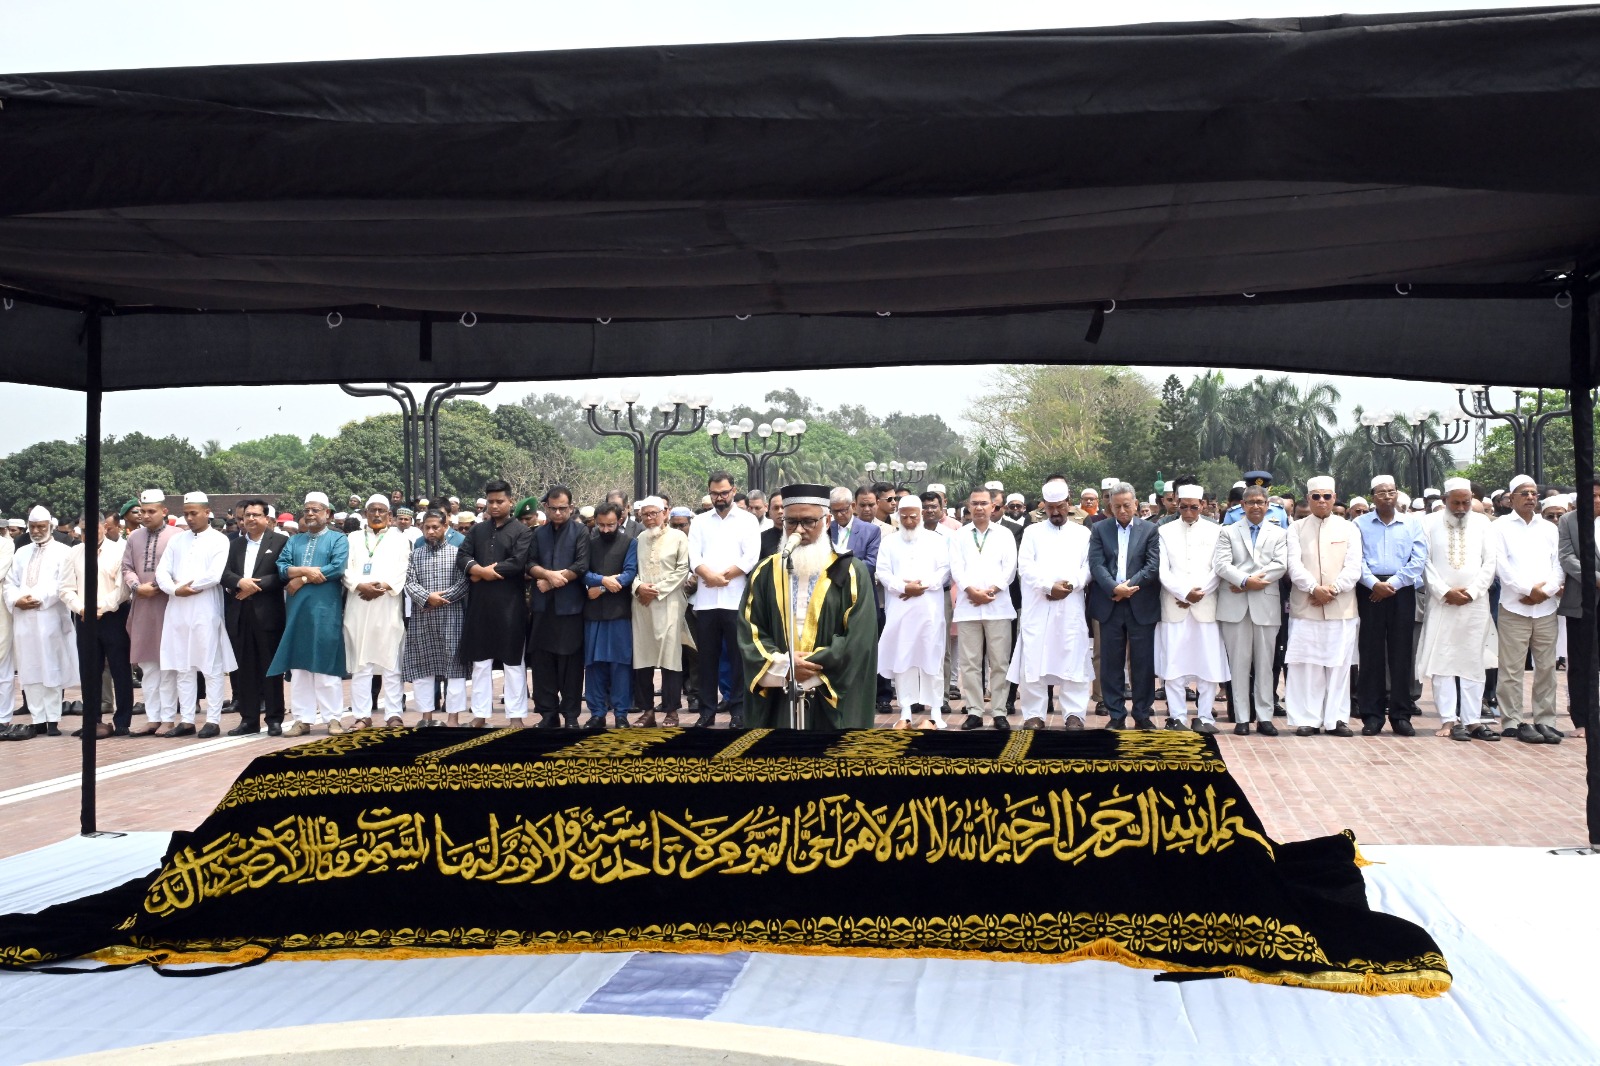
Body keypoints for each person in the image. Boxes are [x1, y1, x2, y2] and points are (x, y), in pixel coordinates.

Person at [736, 482, 878, 729]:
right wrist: (784, 666)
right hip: (778, 693)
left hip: (829, 696)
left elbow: (859, 638)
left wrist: (809, 666)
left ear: (827, 521)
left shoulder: (852, 572)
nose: (799, 530)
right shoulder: (765, 572)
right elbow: (750, 629)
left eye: (809, 522)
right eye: (791, 522)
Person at [1417, 479, 1501, 742]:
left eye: (1466, 502)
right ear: (1445, 500)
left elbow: (1490, 562)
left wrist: (1473, 592)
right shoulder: (1428, 523)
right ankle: (1448, 719)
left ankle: (1473, 720)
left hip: (1475, 604)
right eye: (1456, 503)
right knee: (1442, 660)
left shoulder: (1483, 523)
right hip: (1442, 602)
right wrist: (1444, 591)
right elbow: (1424, 562)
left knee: (1473, 660)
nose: (1462, 508)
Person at [1007, 480, 1093, 729]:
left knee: (1072, 654)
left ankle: (1074, 713)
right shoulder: (1032, 532)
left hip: (1070, 605)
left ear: (1069, 504)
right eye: (1050, 508)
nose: (1056, 512)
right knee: (1034, 656)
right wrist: (1048, 587)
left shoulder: (1083, 534)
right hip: (1038, 604)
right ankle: (1034, 714)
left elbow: (1088, 567)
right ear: (1043, 506)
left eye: (1060, 507)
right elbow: (1025, 567)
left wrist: (1070, 586)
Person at [155, 493, 237, 738]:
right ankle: (187, 719)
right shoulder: (177, 540)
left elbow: (215, 574)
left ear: (207, 512)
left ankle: (213, 720)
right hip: (177, 607)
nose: (189, 518)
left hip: (205, 606)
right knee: (183, 665)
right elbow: (162, 571)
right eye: (186, 514)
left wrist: (187, 587)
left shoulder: (219, 540)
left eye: (194, 513)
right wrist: (174, 590)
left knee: (210, 665)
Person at [1285, 476, 1361, 737]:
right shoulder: (1295, 528)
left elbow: (1354, 567)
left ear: (1334, 497)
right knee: (1307, 665)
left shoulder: (1349, 528)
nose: (1321, 501)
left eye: (1326, 496)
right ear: (1308, 499)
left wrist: (1333, 590)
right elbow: (1294, 565)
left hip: (1341, 607)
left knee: (1339, 666)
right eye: (1316, 496)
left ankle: (1336, 719)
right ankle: (1307, 719)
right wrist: (1313, 588)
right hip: (1306, 606)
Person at [1353, 475, 1427, 737]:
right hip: (1369, 590)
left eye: (1392, 491)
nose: (1387, 496)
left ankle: (1401, 715)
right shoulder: (1359, 524)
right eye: (1381, 492)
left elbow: (1418, 560)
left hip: (1401, 590)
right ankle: (1372, 716)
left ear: (1397, 494)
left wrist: (1391, 584)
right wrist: (1374, 584)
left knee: (1402, 654)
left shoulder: (1412, 523)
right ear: (1373, 496)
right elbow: (1355, 559)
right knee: (1370, 654)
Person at [270, 492, 349, 736]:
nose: (311, 514)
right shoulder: (295, 541)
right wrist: (305, 570)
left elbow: (337, 567)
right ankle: (302, 719)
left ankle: (333, 718)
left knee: (326, 664)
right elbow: (282, 568)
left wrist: (301, 579)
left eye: (316, 510)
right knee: (299, 667)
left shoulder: (338, 539)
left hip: (325, 610)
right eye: (307, 510)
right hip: (297, 612)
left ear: (328, 513)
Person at [453, 480, 531, 726]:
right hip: (481, 606)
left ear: (510, 501)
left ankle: (516, 716)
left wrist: (484, 573)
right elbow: (462, 556)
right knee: (480, 662)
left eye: (500, 501)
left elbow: (518, 562)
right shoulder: (477, 530)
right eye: (491, 502)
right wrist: (477, 570)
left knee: (513, 662)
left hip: (511, 606)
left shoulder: (521, 531)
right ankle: (480, 714)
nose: (495, 506)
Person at [1493, 474, 1564, 744]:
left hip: (1545, 608)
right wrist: (1527, 590)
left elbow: (1558, 565)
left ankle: (1545, 720)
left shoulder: (1549, 528)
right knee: (1511, 669)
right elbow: (1501, 566)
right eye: (1524, 493)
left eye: (1534, 493)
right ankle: (1512, 721)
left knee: (1546, 668)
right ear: (1511, 498)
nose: (1531, 497)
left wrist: (1545, 592)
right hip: (1514, 607)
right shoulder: (1499, 527)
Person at [1213, 486, 1287, 736]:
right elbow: (1221, 564)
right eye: (1251, 502)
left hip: (1265, 604)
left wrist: (1250, 582)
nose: (1256, 506)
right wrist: (1244, 581)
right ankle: (1242, 717)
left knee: (1266, 665)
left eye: (1260, 502)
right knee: (1238, 665)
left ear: (1267, 505)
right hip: (1234, 606)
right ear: (1242, 506)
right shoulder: (1227, 531)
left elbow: (1280, 565)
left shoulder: (1279, 533)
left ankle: (1265, 717)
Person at [689, 471, 760, 727]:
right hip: (706, 600)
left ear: (733, 491)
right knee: (707, 659)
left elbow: (750, 557)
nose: (719, 497)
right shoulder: (699, 521)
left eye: (724, 493)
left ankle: (738, 711)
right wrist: (709, 575)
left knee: (738, 658)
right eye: (714, 493)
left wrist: (721, 577)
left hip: (735, 599)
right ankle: (707, 712)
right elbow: (694, 556)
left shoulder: (748, 520)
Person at [1087, 481, 1161, 729]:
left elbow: (1152, 566)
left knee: (1143, 662)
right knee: (1111, 663)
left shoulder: (1150, 530)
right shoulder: (1099, 529)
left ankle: (1142, 714)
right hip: (1109, 604)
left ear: (1136, 504)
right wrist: (1114, 588)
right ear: (1110, 505)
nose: (1121, 511)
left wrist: (1127, 588)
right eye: (1116, 506)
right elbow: (1096, 564)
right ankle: (1116, 715)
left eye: (1126, 505)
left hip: (1141, 603)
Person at [1155, 485, 1228, 733]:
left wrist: (1197, 594)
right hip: (1174, 605)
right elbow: (1163, 570)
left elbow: (1218, 568)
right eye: (1183, 506)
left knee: (1208, 663)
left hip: (1206, 606)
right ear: (1176, 504)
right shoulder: (1164, 531)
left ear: (1203, 505)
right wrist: (1183, 593)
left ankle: (1205, 716)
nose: (1188, 512)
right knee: (1173, 664)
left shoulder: (1217, 531)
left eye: (1193, 507)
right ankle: (1177, 717)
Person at [876, 495, 952, 729]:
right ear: (898, 516)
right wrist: (903, 587)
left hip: (929, 609)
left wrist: (921, 586)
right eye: (904, 517)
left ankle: (935, 712)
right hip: (900, 609)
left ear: (921, 515)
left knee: (932, 658)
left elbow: (944, 570)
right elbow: (882, 572)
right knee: (903, 658)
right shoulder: (889, 542)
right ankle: (906, 712)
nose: (909, 521)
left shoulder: (936, 540)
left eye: (913, 517)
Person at [3, 507, 79, 737]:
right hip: (24, 619)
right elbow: (9, 582)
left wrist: (38, 599)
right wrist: (16, 600)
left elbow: (62, 584)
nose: (36, 531)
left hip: (50, 618)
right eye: (33, 526)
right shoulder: (21, 553)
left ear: (50, 527)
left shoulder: (64, 552)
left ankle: (53, 718)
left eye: (41, 527)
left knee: (51, 667)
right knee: (30, 669)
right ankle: (37, 719)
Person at [950, 486, 1017, 729]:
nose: (979, 507)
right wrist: (971, 591)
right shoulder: (959, 535)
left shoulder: (1004, 534)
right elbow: (956, 567)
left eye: (984, 503)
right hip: (968, 606)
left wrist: (992, 591)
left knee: (999, 661)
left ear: (993, 507)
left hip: (998, 605)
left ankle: (999, 711)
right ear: (968, 507)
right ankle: (974, 711)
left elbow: (1010, 568)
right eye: (975, 503)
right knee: (970, 662)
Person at [62, 512, 134, 738]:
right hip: (85, 618)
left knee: (120, 669)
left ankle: (122, 721)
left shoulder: (119, 550)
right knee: (89, 671)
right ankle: (92, 721)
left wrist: (99, 608)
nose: (88, 534)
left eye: (93, 528)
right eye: (84, 530)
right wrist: (81, 608)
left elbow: (122, 590)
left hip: (113, 616)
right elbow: (65, 588)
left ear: (104, 527)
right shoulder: (74, 553)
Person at [220, 498, 288, 736]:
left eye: (256, 515)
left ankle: (274, 718)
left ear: (266, 518)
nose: (250, 519)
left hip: (268, 614)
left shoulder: (280, 542)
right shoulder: (235, 544)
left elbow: (282, 574)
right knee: (245, 669)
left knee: (271, 668)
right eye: (247, 515)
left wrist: (255, 586)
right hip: (240, 613)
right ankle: (249, 719)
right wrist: (240, 582)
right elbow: (224, 573)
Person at [342, 494, 410, 728]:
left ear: (390, 515)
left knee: (391, 662)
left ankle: (393, 714)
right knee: (360, 664)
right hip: (358, 605)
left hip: (387, 605)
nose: (377, 514)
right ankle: (362, 715)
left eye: (382, 511)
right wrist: (360, 585)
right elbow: (344, 568)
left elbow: (404, 569)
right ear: (365, 514)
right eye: (373, 510)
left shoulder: (400, 539)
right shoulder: (352, 538)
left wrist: (382, 586)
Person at [525, 484, 586, 728]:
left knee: (571, 665)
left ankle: (570, 715)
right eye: (553, 508)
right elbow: (529, 563)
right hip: (543, 609)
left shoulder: (581, 532)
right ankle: (548, 714)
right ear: (546, 508)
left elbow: (581, 565)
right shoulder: (538, 534)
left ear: (571, 507)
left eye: (563, 508)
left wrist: (551, 581)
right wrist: (548, 575)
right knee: (543, 663)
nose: (558, 513)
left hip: (570, 608)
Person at [402, 510, 470, 726]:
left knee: (455, 668)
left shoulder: (457, 553)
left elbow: (464, 583)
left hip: (451, 617)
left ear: (445, 527)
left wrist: (440, 600)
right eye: (427, 527)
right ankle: (426, 717)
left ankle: (453, 718)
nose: (431, 531)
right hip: (423, 618)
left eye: (435, 527)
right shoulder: (415, 555)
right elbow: (409, 583)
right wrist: (427, 598)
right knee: (423, 667)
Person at [121, 490, 179, 736]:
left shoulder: (177, 536)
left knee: (168, 666)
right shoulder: (134, 537)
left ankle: (168, 718)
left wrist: (158, 585)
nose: (145, 516)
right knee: (147, 665)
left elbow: (180, 568)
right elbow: (126, 567)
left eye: (151, 511)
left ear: (164, 511)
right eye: (142, 511)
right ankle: (153, 717)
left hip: (168, 605)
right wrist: (137, 587)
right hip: (143, 606)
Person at [630, 498, 692, 727]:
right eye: (645, 514)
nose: (649, 518)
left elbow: (683, 570)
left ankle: (671, 711)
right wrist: (638, 587)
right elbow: (631, 570)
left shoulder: (679, 537)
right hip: (642, 605)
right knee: (642, 658)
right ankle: (647, 711)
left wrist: (655, 591)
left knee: (670, 658)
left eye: (653, 513)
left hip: (669, 603)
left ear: (665, 513)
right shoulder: (639, 539)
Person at [579, 501, 637, 727]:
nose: (605, 530)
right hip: (593, 614)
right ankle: (597, 713)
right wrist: (603, 580)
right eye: (601, 525)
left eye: (610, 525)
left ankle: (621, 714)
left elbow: (629, 573)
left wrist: (601, 587)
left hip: (619, 613)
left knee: (620, 665)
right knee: (593, 665)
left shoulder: (629, 543)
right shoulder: (589, 543)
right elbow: (583, 572)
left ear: (619, 521)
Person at [1557, 477, 1600, 739]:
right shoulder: (1568, 521)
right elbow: (1566, 556)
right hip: (1581, 602)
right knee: (1581, 663)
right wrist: (1594, 578)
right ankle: (1582, 720)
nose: (1596, 500)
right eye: (1591, 495)